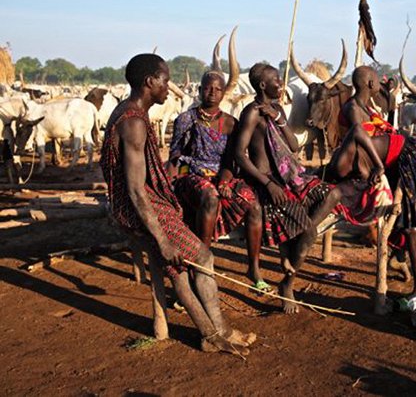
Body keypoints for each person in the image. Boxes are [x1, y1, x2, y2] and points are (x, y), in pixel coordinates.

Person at [100, 54, 255, 354]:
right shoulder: (133, 122)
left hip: (140, 203)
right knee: (202, 257)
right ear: (150, 82)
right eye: (165, 81)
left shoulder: (129, 112)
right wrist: (162, 238)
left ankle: (211, 335)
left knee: (179, 269)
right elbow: (135, 190)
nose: (168, 88)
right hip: (139, 208)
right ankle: (219, 331)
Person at [234, 63, 341, 314]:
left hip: (292, 176)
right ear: (262, 85)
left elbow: (293, 146)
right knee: (308, 232)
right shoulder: (251, 113)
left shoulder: (277, 109)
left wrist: (280, 119)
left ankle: (296, 243)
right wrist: (268, 184)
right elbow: (239, 155)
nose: (280, 85)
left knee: (333, 194)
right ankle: (288, 283)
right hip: (269, 183)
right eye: (276, 81)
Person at [331, 65, 416, 299]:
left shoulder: (365, 107)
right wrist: (378, 165)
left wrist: (379, 165)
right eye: (376, 80)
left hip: (404, 156)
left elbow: (367, 137)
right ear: (369, 84)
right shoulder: (353, 108)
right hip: (400, 157)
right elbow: (360, 134)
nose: (379, 83)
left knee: (412, 224)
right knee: (412, 224)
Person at [166, 70, 269, 292]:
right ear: (200, 89)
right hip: (191, 174)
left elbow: (231, 162)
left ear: (223, 93)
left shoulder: (232, 123)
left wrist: (223, 182)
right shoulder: (186, 120)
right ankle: (203, 265)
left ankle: (254, 267)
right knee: (210, 197)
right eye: (207, 87)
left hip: (223, 175)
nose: (212, 92)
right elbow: (175, 156)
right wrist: (169, 180)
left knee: (253, 204)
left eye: (217, 89)